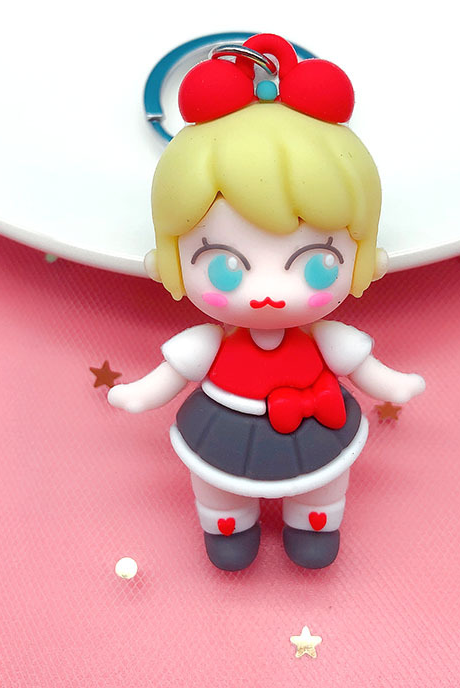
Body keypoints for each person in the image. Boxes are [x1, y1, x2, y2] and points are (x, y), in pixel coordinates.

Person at [109, 34, 425, 571]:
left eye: (317, 263)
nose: (269, 292)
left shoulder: (328, 338)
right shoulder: (208, 342)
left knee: (322, 488)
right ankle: (229, 526)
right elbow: (170, 374)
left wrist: (393, 385)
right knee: (219, 490)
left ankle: (313, 524)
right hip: (224, 432)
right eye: (226, 266)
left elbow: (365, 369)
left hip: (319, 433)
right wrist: (140, 395)